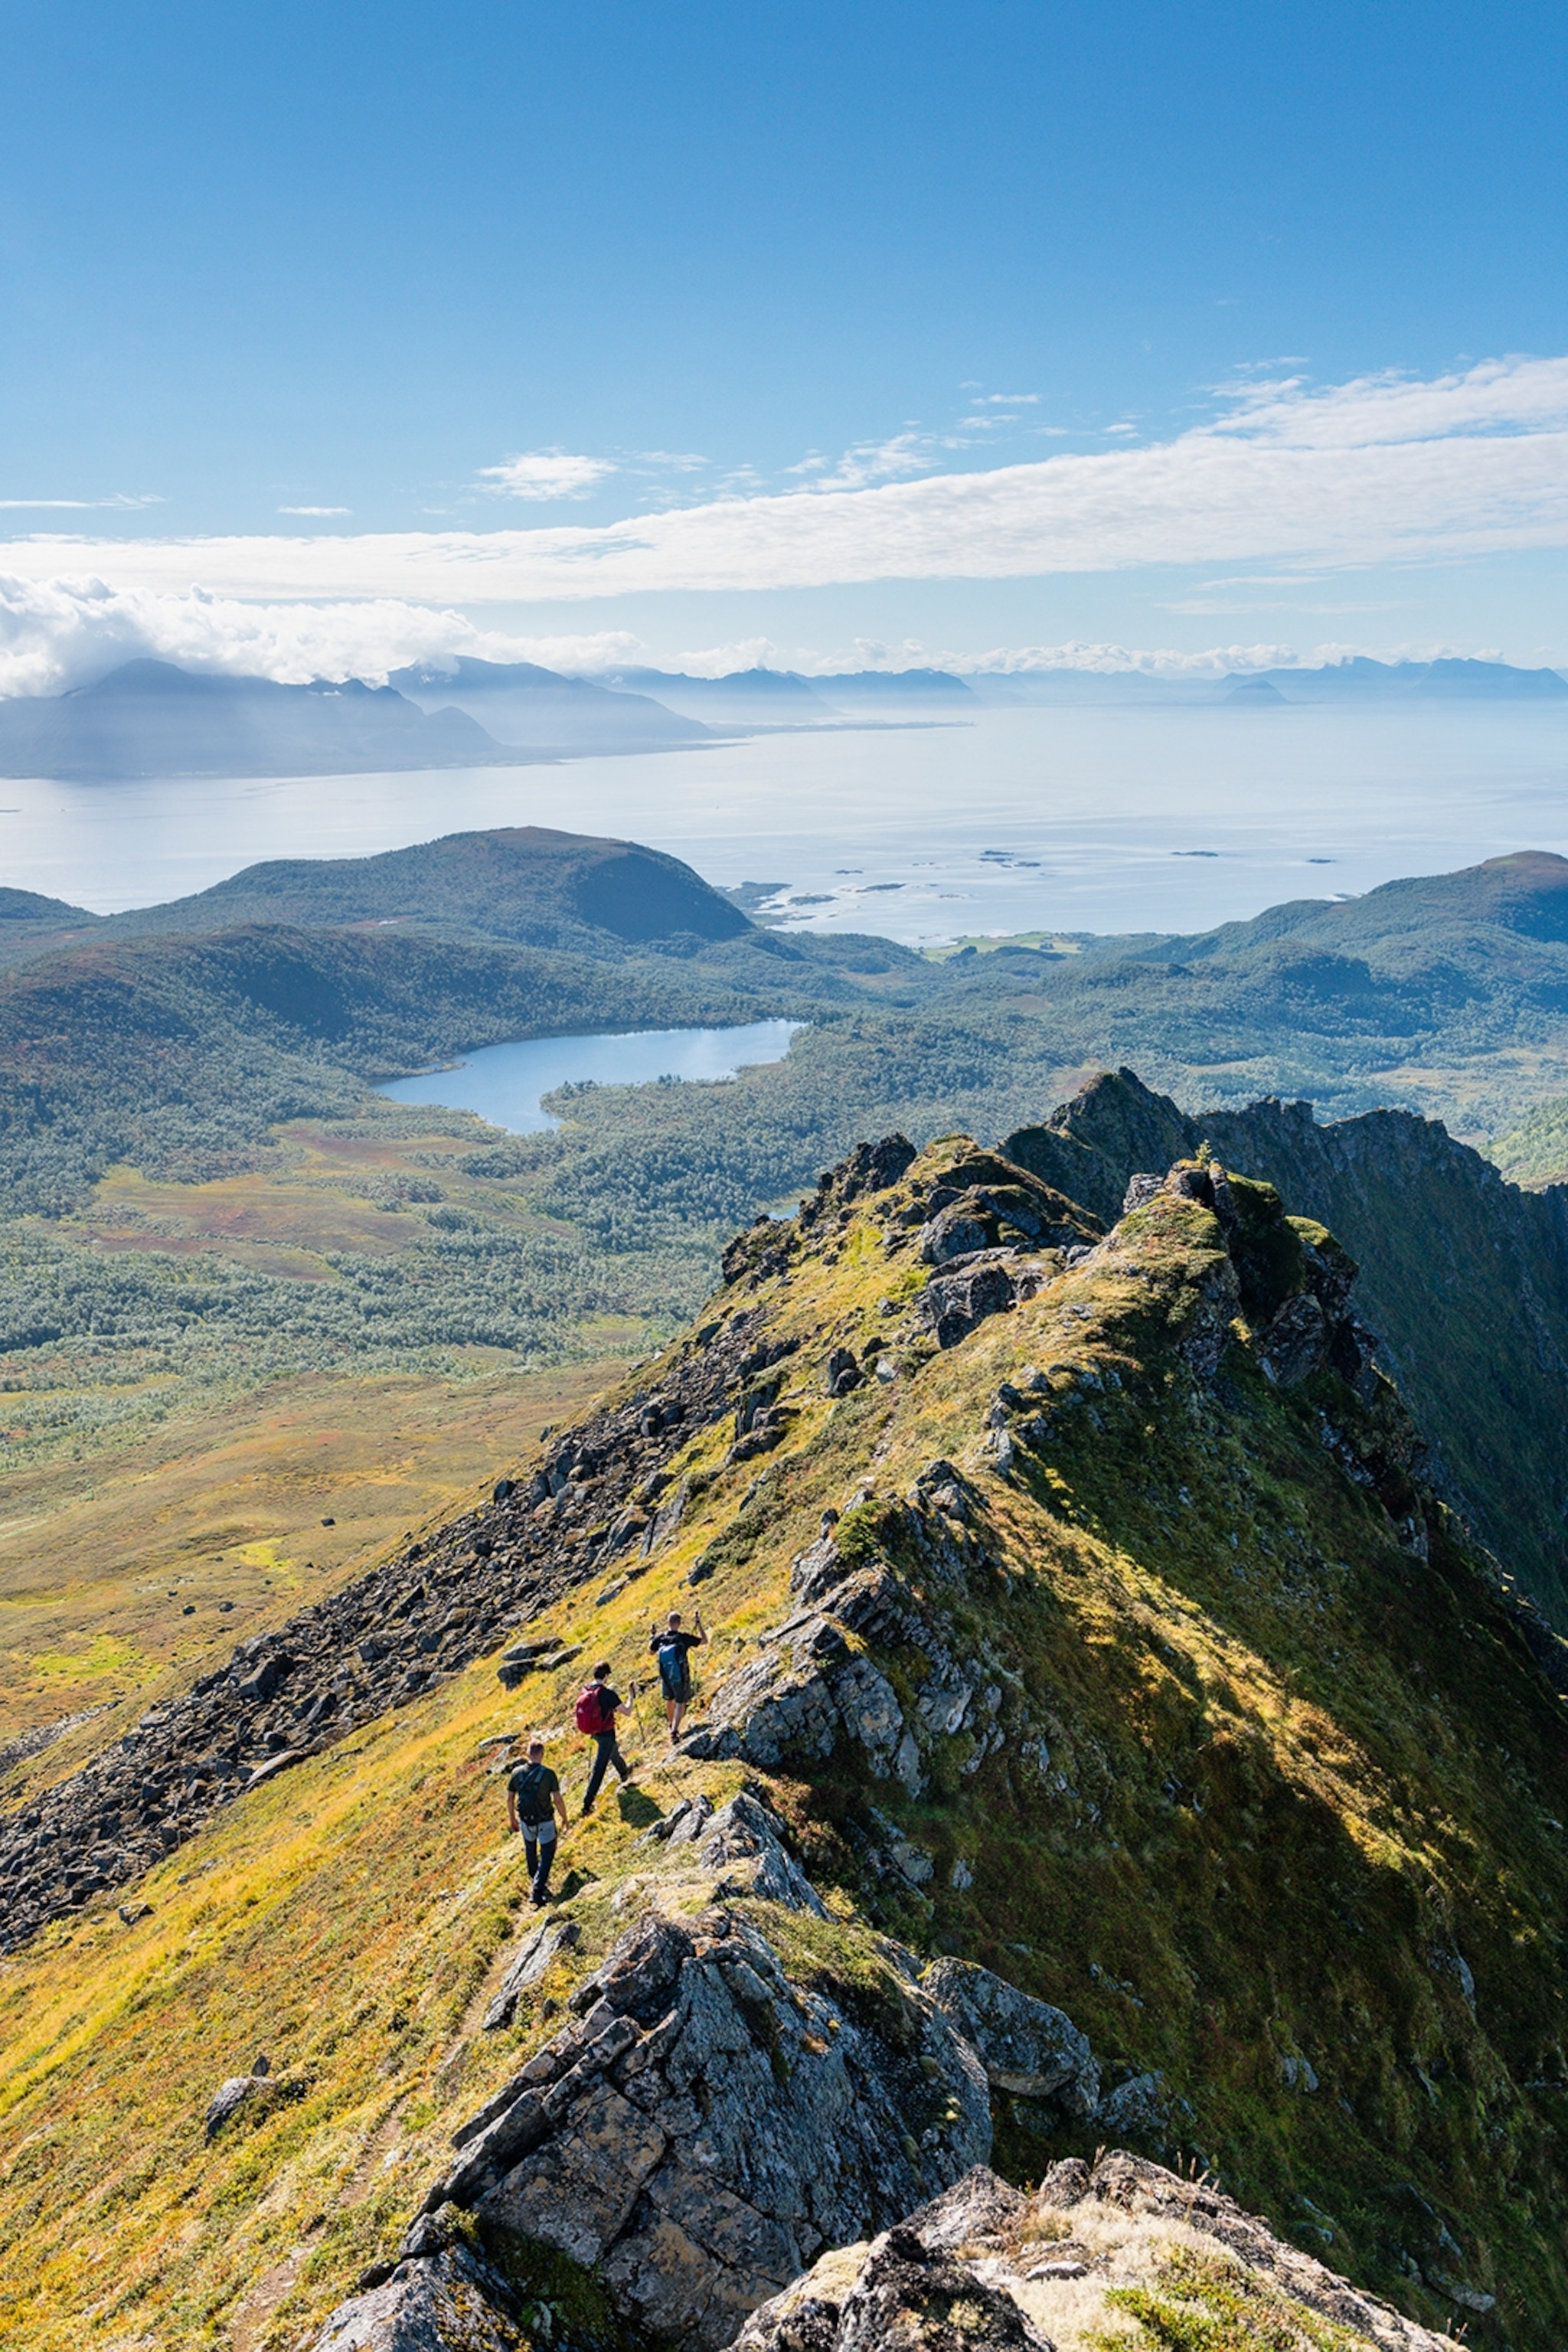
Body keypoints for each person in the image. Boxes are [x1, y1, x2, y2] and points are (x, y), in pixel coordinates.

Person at [506, 1734, 569, 1906]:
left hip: (526, 1820)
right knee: (547, 1854)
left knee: (530, 1850)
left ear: (527, 1754)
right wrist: (564, 1818)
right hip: (546, 1820)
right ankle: (537, 1891)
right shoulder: (548, 1774)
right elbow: (557, 1799)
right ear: (542, 1754)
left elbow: (510, 1799)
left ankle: (535, 1880)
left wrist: (512, 1819)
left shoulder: (516, 1773)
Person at [578, 1661, 633, 1814]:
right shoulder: (607, 1694)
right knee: (599, 1768)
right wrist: (631, 1696)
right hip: (606, 1733)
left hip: (594, 1732)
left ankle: (624, 1773)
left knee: (612, 1751)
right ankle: (587, 1805)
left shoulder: (586, 1690)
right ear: (606, 1676)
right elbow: (627, 1711)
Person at [648, 1608, 707, 1742]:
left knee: (669, 1700)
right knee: (680, 1702)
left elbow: (651, 1652)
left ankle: (671, 1725)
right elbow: (704, 1641)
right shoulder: (683, 1638)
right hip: (680, 1676)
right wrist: (698, 1624)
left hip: (665, 1676)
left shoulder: (660, 1638)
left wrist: (653, 1636)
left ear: (667, 1622)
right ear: (679, 1623)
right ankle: (674, 1731)